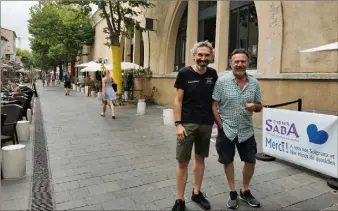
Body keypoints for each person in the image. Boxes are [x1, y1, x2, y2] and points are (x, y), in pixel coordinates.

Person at [212, 48, 263, 209]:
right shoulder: (221, 82)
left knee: (250, 161)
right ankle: (233, 191)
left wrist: (254, 106)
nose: (240, 64)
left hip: (246, 130)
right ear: (231, 63)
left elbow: (260, 106)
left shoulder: (254, 83)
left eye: (243, 61)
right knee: (227, 160)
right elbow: (213, 104)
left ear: (247, 63)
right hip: (226, 129)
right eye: (236, 61)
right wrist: (220, 125)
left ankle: (245, 190)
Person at [172, 40, 218, 211]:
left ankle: (197, 192)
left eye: (206, 55)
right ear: (194, 56)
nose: (203, 58)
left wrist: (218, 122)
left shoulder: (213, 74)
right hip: (187, 125)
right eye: (200, 55)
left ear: (211, 56)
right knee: (182, 161)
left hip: (206, 124)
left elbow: (214, 101)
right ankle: (179, 200)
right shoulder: (184, 73)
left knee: (200, 159)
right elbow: (178, 100)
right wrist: (178, 124)